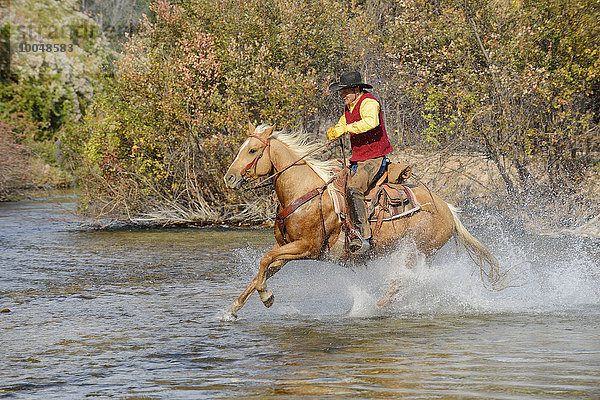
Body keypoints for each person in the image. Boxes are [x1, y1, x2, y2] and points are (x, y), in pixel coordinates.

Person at [327, 71, 393, 256]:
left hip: (374, 159)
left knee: (354, 188)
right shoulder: (349, 108)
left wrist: (347, 128)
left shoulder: (370, 103)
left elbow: (370, 123)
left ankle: (363, 235)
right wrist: (335, 131)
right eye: (341, 92)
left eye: (345, 92)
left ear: (356, 90)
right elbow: (342, 124)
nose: (342, 96)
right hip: (358, 159)